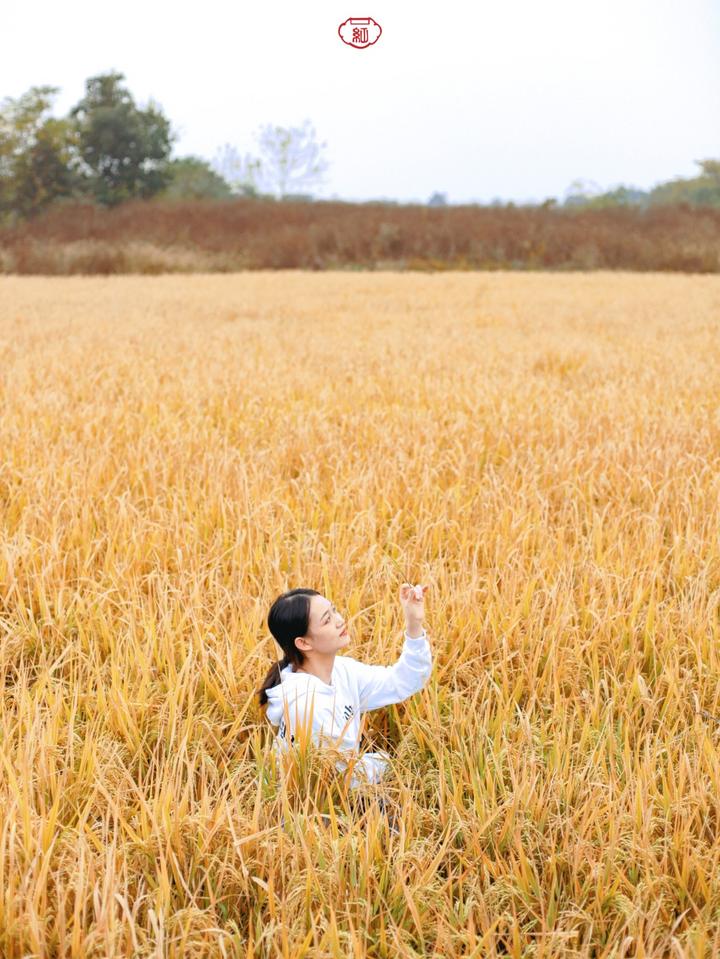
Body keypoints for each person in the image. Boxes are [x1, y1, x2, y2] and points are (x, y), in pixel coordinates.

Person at [257, 583, 432, 826]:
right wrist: (387, 763)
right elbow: (341, 778)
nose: (340, 620)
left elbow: (401, 682)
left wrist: (414, 624)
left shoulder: (342, 671)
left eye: (335, 610)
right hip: (310, 816)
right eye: (327, 620)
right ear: (304, 643)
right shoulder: (305, 703)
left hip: (341, 790)